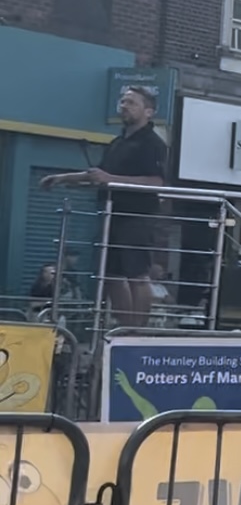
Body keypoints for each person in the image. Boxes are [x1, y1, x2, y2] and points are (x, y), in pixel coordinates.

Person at [40, 86, 168, 327]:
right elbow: (99, 174)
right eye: (123, 101)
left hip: (137, 216)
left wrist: (112, 179)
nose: (124, 106)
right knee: (111, 275)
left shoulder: (153, 143)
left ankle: (137, 332)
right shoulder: (118, 141)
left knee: (137, 276)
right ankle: (125, 327)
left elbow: (156, 181)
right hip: (112, 215)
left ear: (148, 111)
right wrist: (62, 178)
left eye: (132, 102)